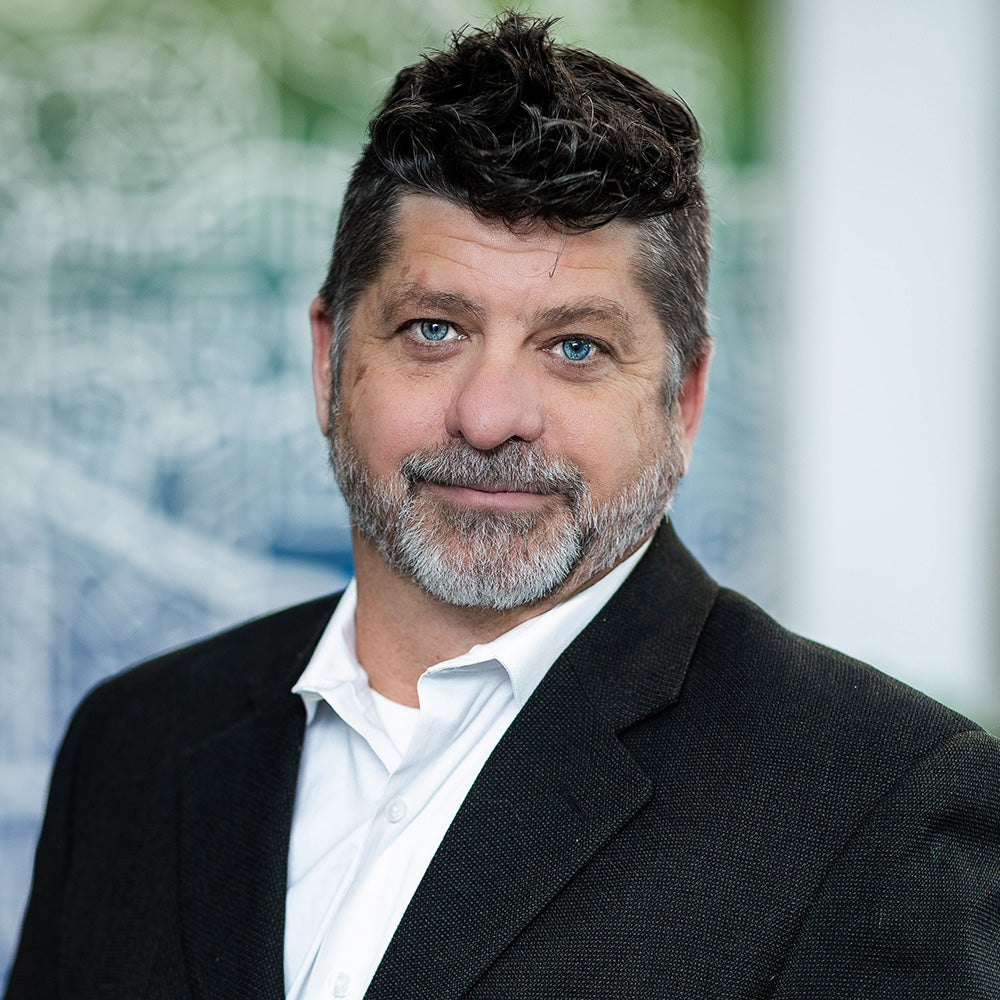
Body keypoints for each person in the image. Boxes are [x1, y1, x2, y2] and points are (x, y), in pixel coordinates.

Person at [7, 12, 999, 999]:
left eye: (575, 347)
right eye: (434, 329)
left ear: (683, 401)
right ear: (328, 360)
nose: (488, 418)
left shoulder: (880, 806)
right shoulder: (133, 744)